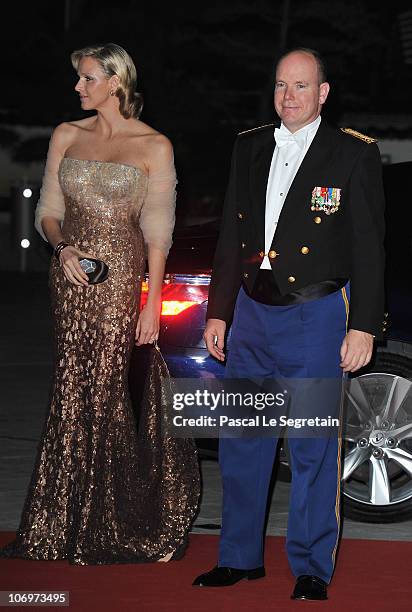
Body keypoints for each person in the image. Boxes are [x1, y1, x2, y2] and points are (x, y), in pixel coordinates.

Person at [193, 48, 385, 600]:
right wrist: (219, 310)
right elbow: (232, 232)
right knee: (242, 441)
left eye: (301, 86)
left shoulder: (352, 154)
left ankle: (310, 566)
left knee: (312, 447)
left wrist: (364, 324)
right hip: (251, 312)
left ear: (323, 93)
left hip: (317, 314)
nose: (289, 96)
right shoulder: (249, 145)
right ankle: (238, 558)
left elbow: (370, 247)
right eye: (281, 85)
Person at [0, 43, 199, 564]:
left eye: (87, 78)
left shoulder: (155, 145)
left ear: (115, 82)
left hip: (121, 284)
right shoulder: (67, 135)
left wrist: (152, 302)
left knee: (109, 392)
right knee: (71, 389)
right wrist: (62, 248)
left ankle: (108, 519)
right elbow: (48, 211)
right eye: (79, 79)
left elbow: (159, 232)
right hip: (69, 279)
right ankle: (57, 519)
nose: (78, 88)